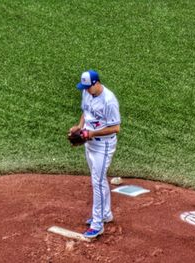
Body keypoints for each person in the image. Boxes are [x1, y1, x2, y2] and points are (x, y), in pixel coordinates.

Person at [69, 70, 121, 238]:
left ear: (96, 83)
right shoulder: (87, 92)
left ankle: (97, 224)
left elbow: (116, 128)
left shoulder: (109, 100)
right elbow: (86, 111)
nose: (85, 90)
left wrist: (91, 133)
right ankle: (105, 214)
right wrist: (79, 127)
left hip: (104, 145)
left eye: (87, 87)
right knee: (98, 179)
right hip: (89, 142)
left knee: (97, 182)